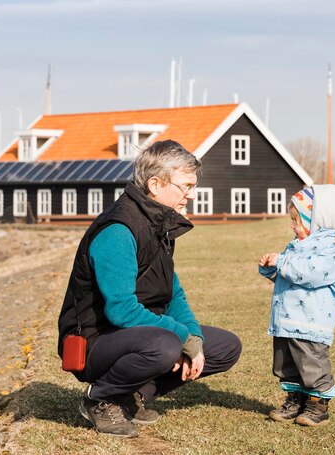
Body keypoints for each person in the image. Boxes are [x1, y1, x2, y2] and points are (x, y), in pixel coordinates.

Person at [58, 140, 242, 438]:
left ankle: (133, 395)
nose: (191, 196)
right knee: (165, 345)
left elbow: (173, 293)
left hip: (139, 335)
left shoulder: (158, 226)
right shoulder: (118, 230)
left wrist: (192, 335)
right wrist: (181, 339)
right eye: (185, 186)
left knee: (225, 346)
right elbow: (121, 310)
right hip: (94, 340)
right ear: (155, 184)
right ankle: (100, 398)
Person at [258, 185, 335, 426]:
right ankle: (295, 399)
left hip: (310, 321)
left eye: (297, 221)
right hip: (286, 319)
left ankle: (318, 405)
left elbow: (309, 273)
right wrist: (271, 268)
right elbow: (286, 275)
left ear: (316, 221)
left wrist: (282, 261)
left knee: (311, 362)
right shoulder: (295, 246)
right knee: (287, 363)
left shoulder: (328, 249)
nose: (292, 226)